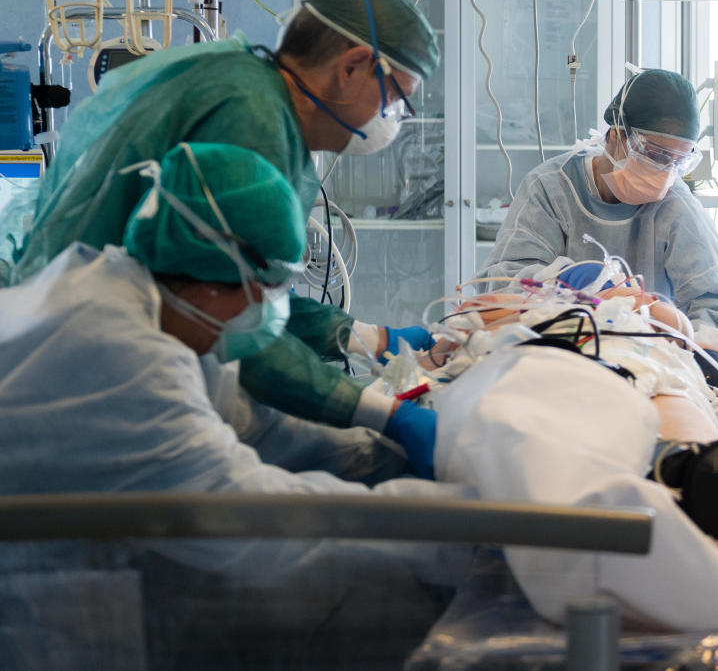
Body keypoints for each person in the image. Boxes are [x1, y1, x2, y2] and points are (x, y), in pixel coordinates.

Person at [0, 143, 468, 668]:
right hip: (42, 591)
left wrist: (381, 448)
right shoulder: (125, 353)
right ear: (215, 275)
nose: (273, 308)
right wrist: (452, 527)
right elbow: (248, 515)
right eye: (269, 288)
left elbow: (253, 426)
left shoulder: (130, 292)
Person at [8, 0, 439, 454]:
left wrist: (366, 338)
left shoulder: (254, 92)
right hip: (93, 364)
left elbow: (238, 293)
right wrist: (382, 414)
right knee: (360, 458)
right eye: (398, 99)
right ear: (353, 67)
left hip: (107, 331)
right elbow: (217, 308)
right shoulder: (248, 116)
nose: (395, 119)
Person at [481, 68, 718, 333]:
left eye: (678, 162)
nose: (665, 174)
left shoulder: (675, 205)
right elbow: (504, 288)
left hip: (650, 353)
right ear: (615, 136)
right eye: (656, 155)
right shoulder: (551, 188)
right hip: (559, 346)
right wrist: (576, 289)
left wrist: (681, 343)